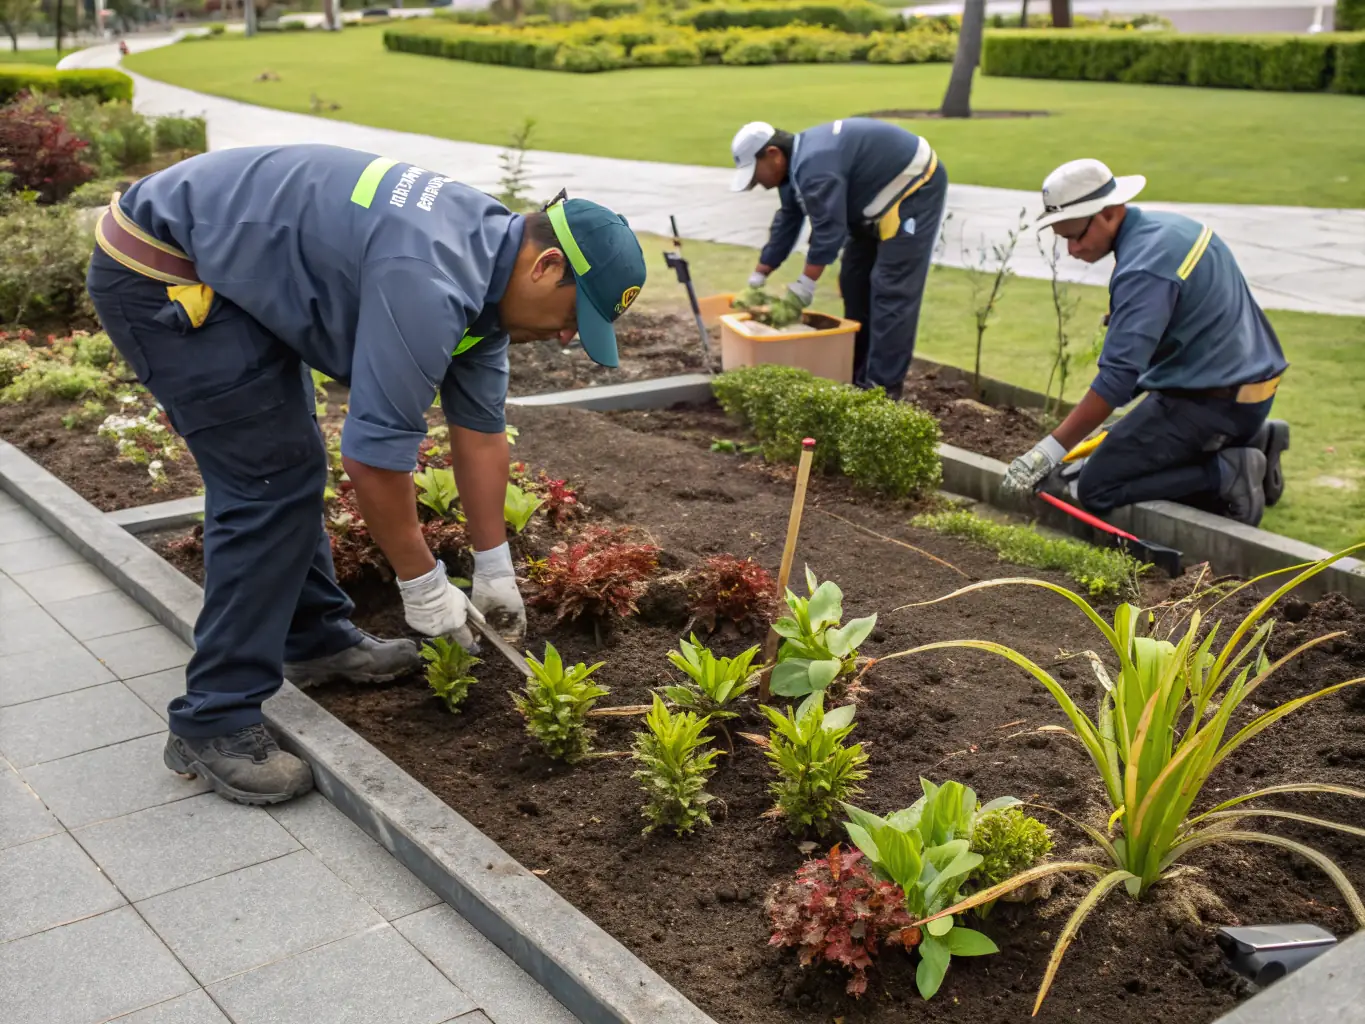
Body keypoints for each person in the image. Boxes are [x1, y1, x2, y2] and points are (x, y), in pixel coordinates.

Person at [86, 144, 646, 805]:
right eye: (571, 318)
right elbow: (374, 458)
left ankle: (313, 638)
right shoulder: (429, 279)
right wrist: (422, 581)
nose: (563, 339)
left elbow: (481, 433)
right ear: (546, 264)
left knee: (285, 469)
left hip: (231, 266)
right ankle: (214, 719)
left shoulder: (490, 264)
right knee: (265, 483)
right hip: (160, 265)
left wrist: (494, 563)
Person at [1001, 158, 1289, 527]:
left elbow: (1117, 380)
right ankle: (1257, 438)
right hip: (1249, 390)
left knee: (1094, 484)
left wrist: (1047, 451)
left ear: (1109, 212)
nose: (1072, 250)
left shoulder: (1144, 268)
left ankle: (1227, 470)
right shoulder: (1170, 229)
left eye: (1076, 236)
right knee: (1117, 441)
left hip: (1213, 405)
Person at [728, 118, 948, 399]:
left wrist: (802, 289)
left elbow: (829, 231)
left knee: (890, 289)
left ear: (773, 154)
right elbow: (788, 221)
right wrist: (757, 278)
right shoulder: (794, 170)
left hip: (914, 187)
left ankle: (881, 393)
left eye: (756, 174)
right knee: (853, 280)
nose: (757, 183)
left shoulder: (814, 165)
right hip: (868, 203)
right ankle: (856, 376)